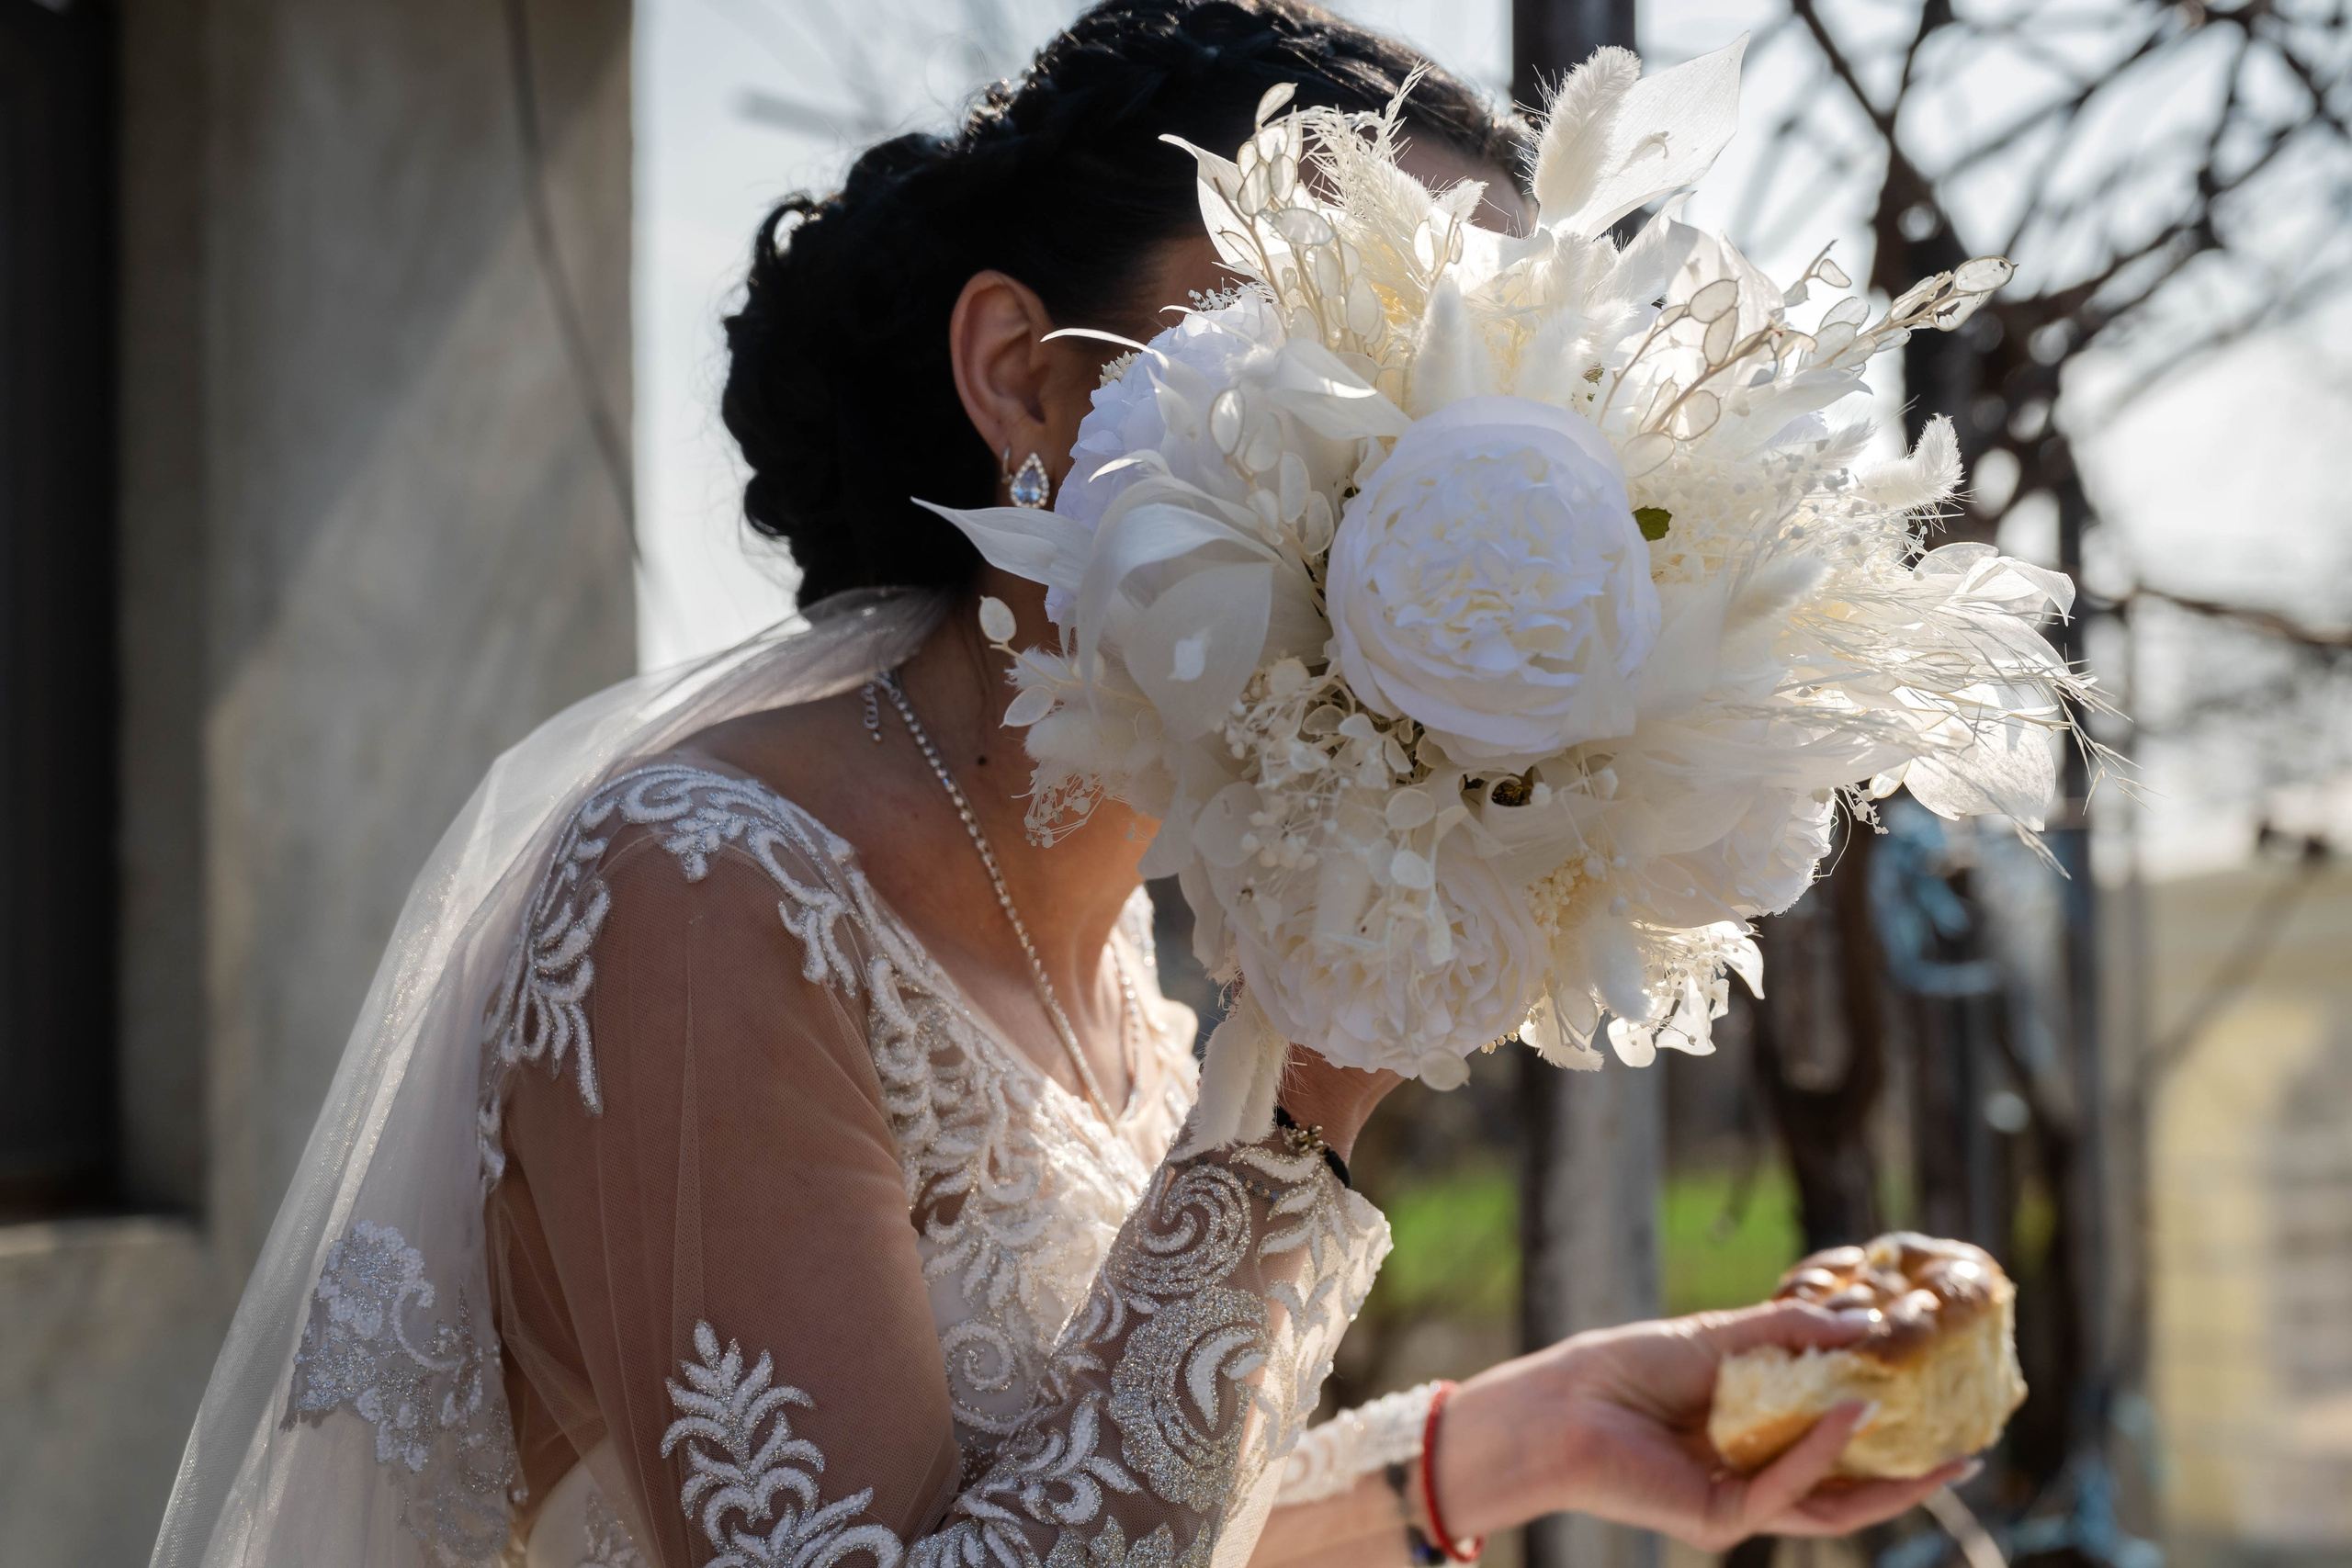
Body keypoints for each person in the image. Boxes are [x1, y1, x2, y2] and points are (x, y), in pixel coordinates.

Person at [153, 3, 1972, 1565]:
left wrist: (1539, 1430)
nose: (1422, 479)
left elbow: (1067, 1500)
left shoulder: (1120, 964)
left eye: (1500, 409)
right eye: (1344, 358)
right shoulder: (708, 882)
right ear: (1024, 381)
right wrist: (1304, 1101)